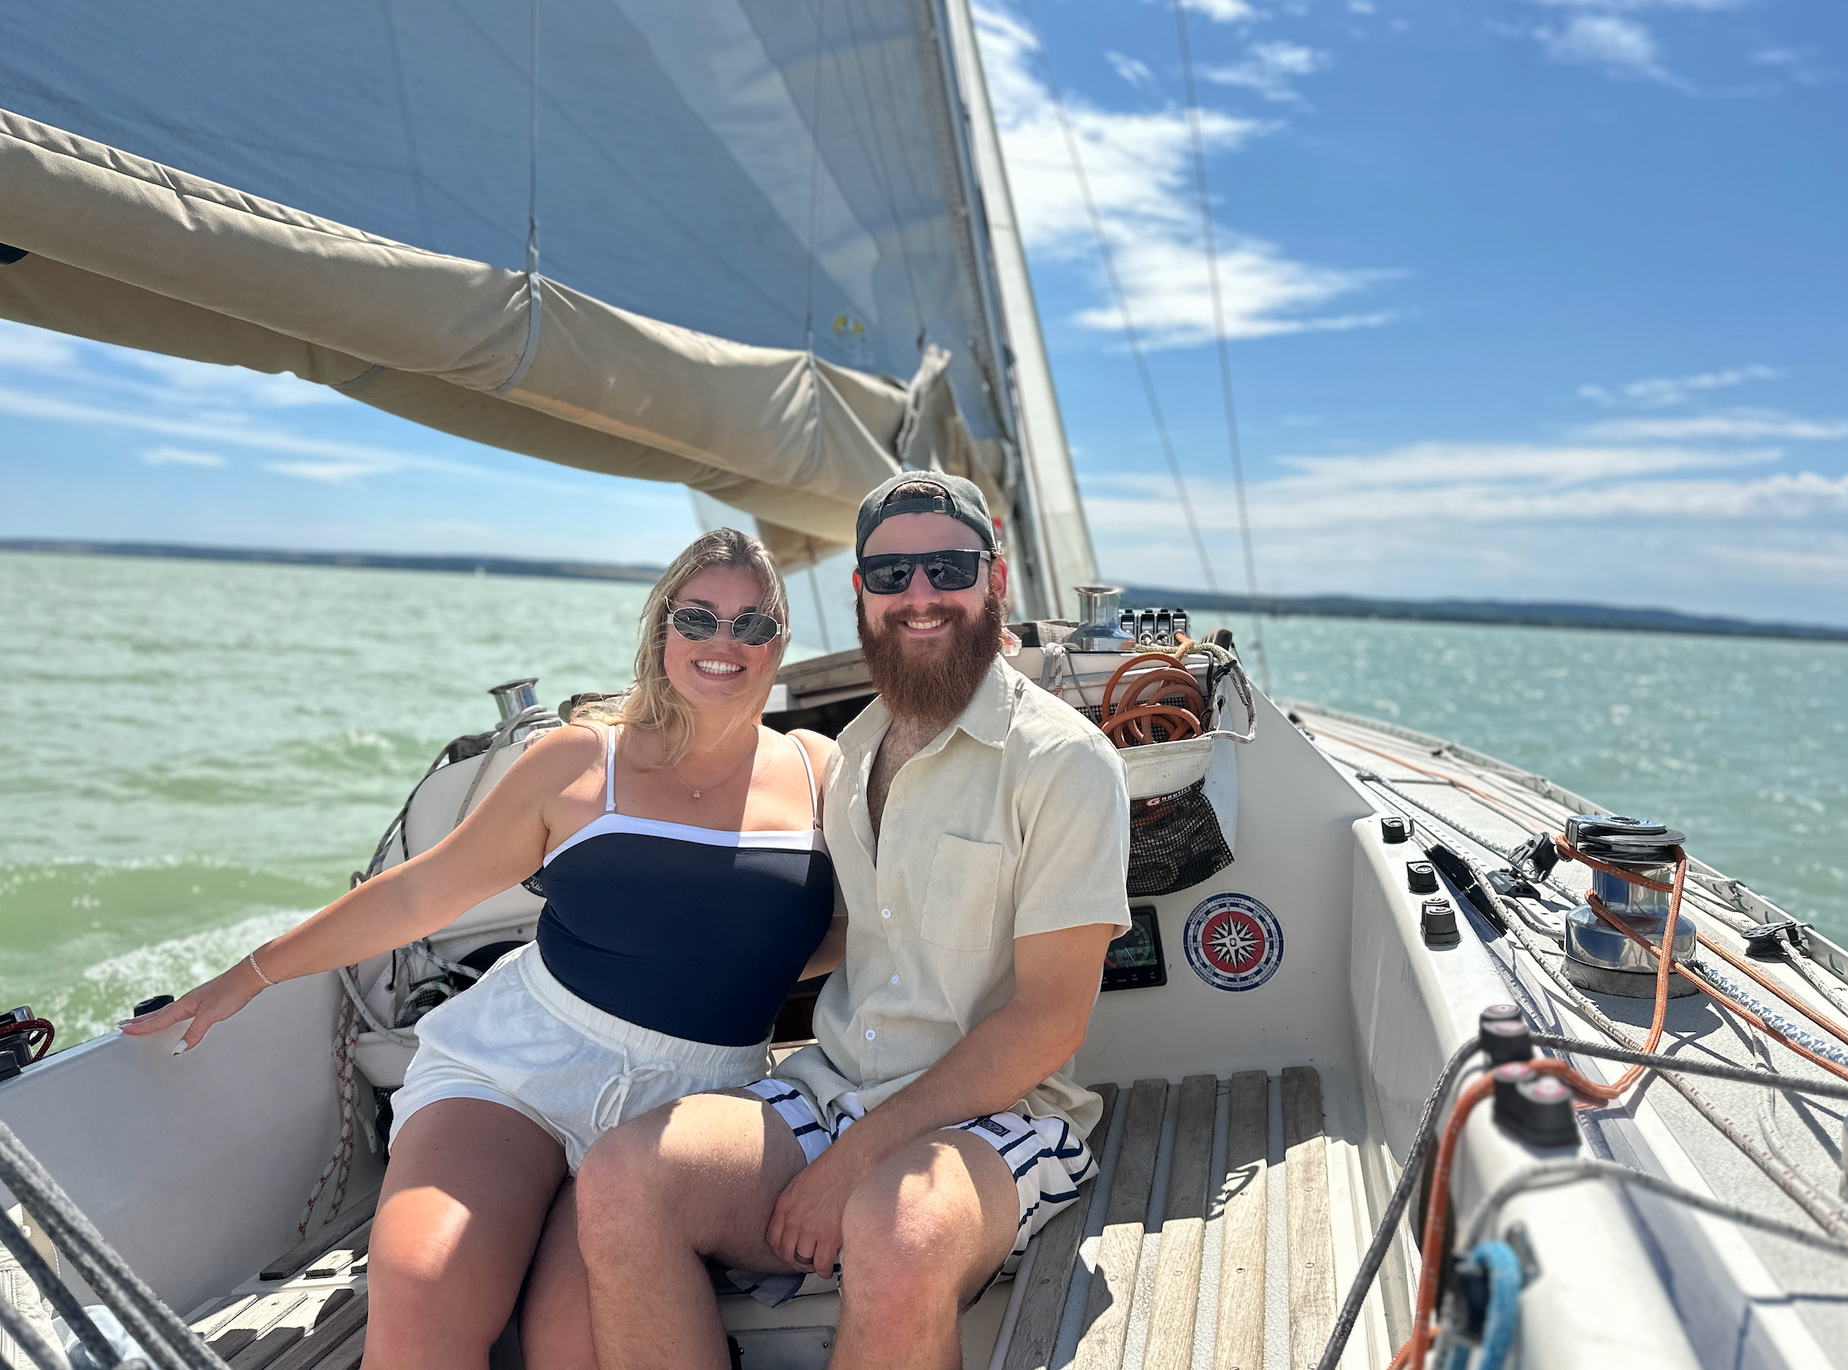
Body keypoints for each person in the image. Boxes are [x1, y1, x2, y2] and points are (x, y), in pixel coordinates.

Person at [121, 528, 844, 1370]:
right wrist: (247, 977)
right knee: (425, 1281)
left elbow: (865, 930)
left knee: (577, 1346)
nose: (725, 643)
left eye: (752, 625)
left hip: (690, 1104)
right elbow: (421, 891)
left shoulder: (822, 771)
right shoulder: (579, 761)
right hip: (522, 1067)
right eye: (699, 617)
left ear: (780, 643)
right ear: (661, 632)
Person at [567, 472, 1131, 1370]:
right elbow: (851, 931)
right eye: (891, 571)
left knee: (897, 1233)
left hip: (1003, 1114)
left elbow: (1050, 1021)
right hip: (835, 1084)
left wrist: (856, 1161)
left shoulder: (1064, 764)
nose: (919, 595)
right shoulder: (858, 746)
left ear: (996, 580)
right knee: (623, 1179)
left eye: (947, 567)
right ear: (860, 591)